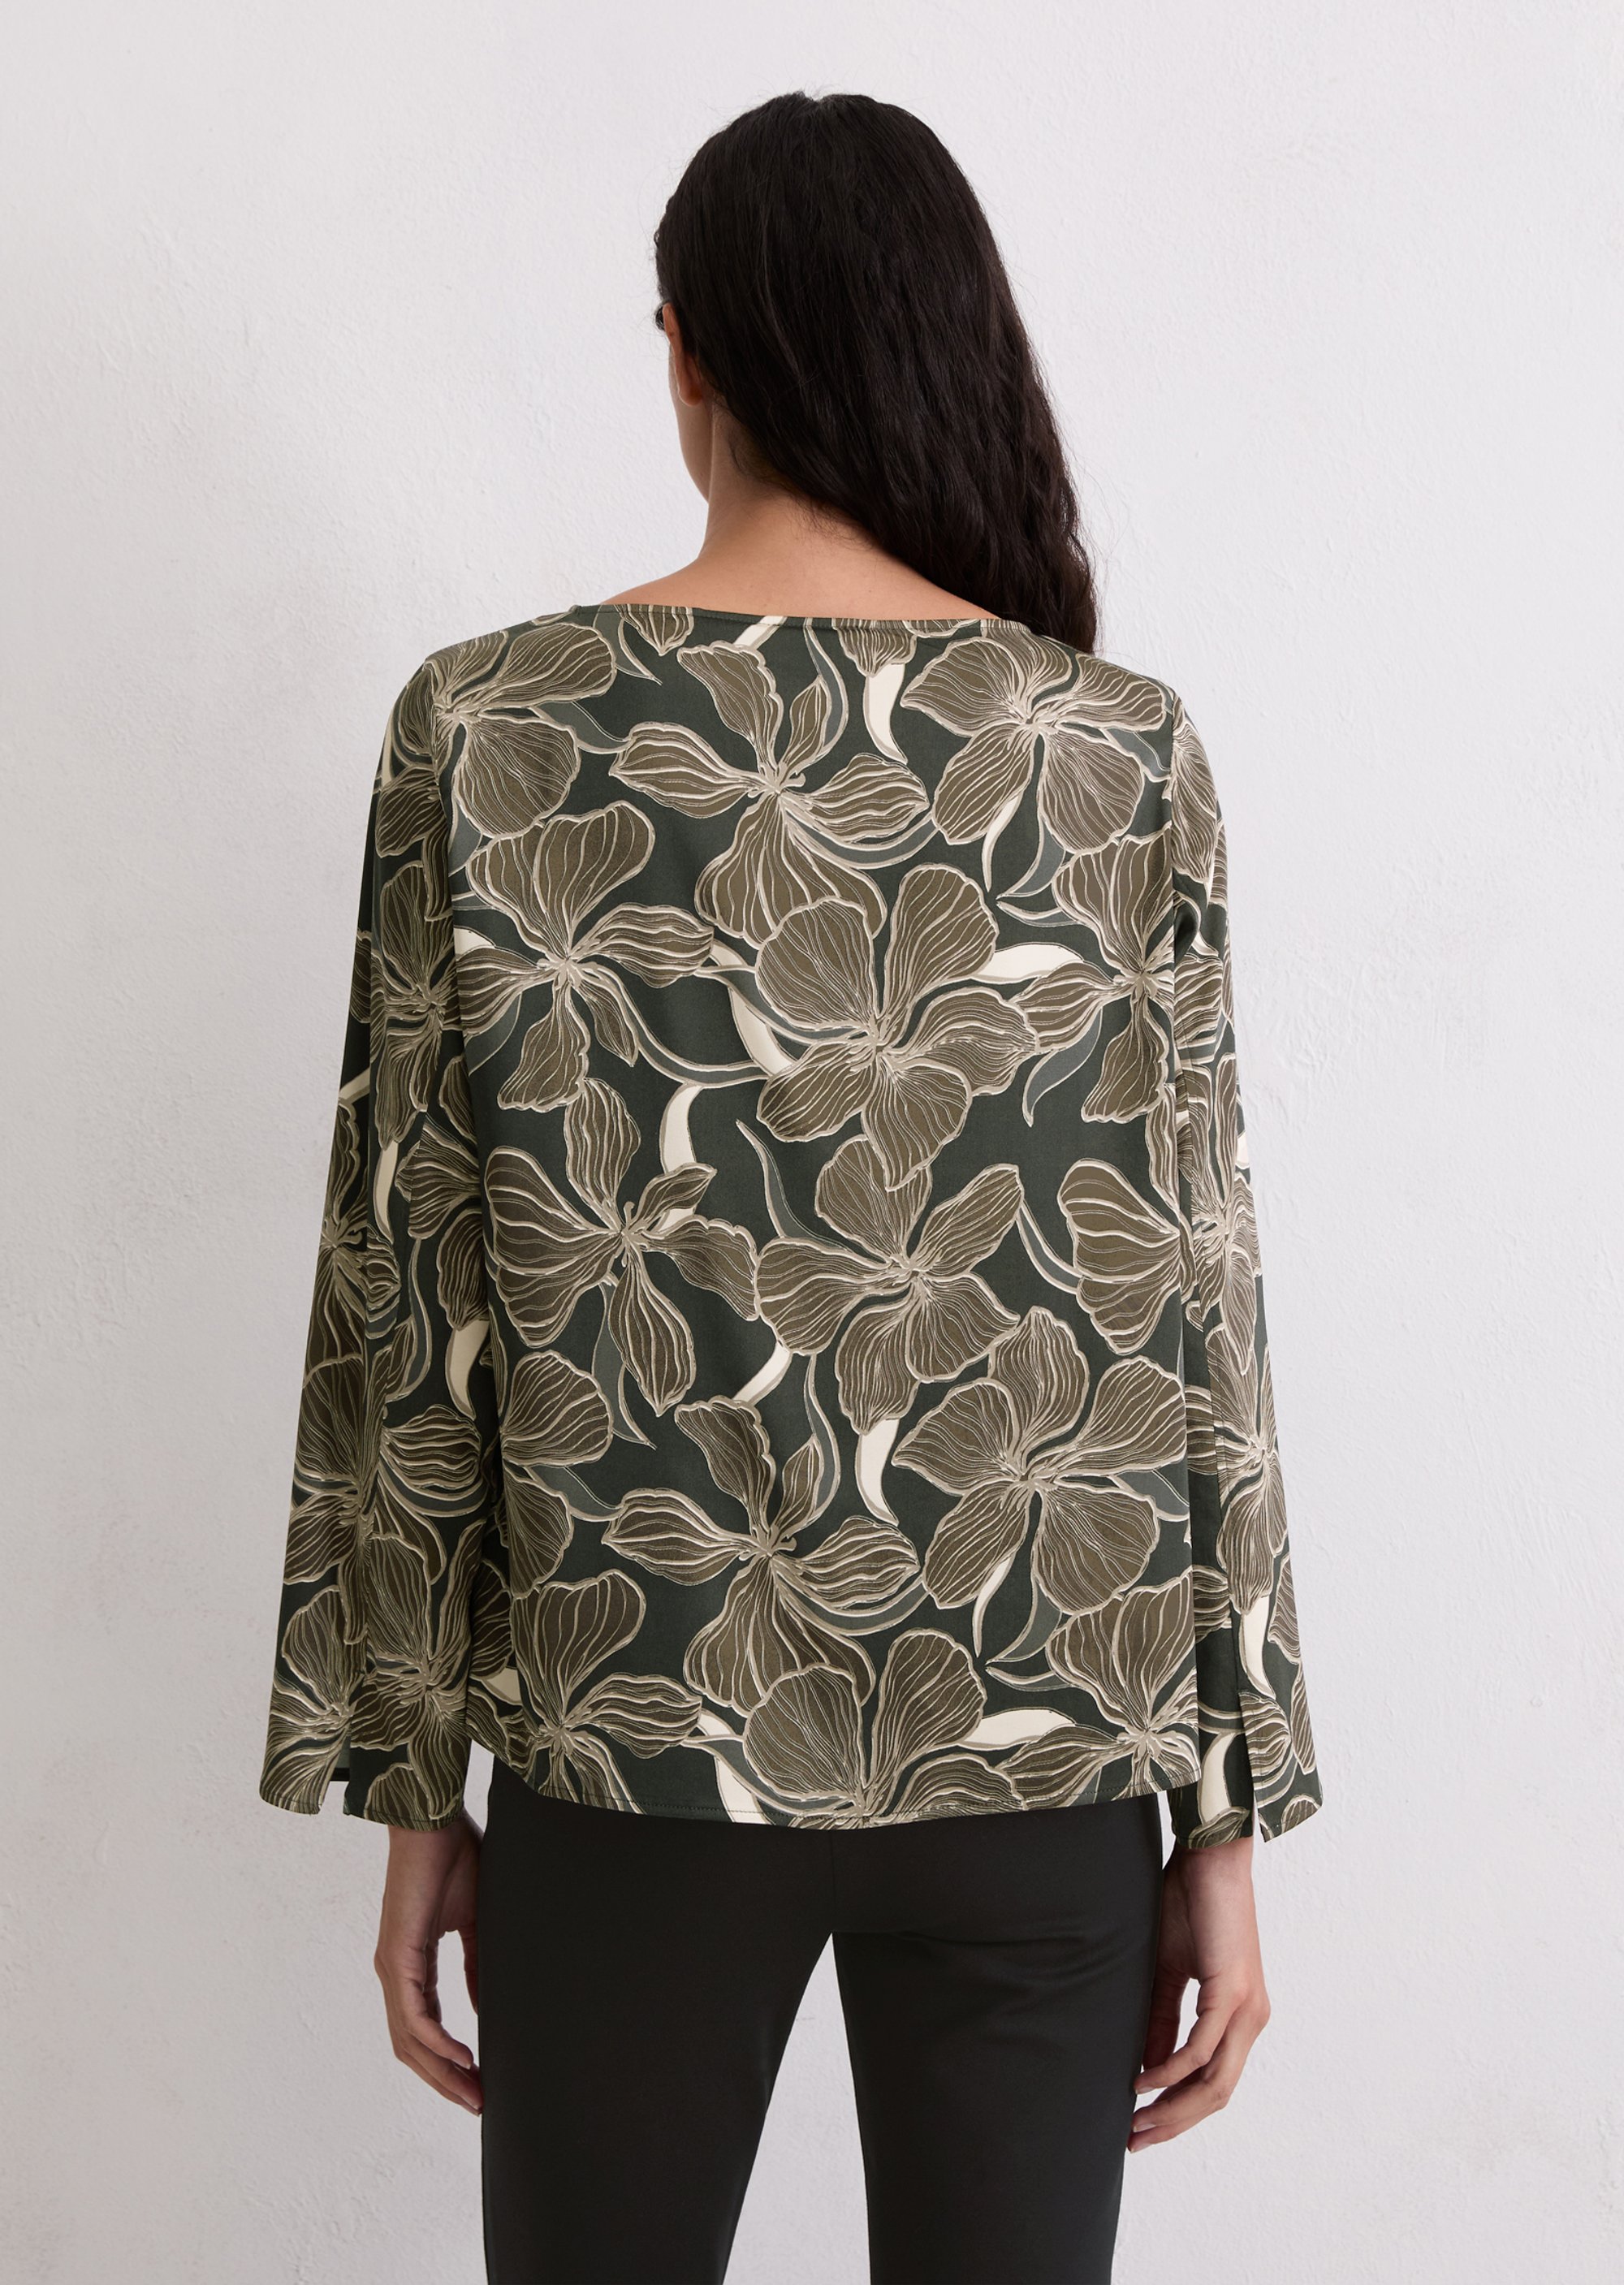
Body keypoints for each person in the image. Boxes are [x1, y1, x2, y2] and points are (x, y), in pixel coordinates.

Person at [257, 89, 1321, 2285]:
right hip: (1045, 1748)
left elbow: (410, 1295)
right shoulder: (1116, 746)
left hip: (631, 1741)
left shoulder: (488, 726)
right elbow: (1193, 1304)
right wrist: (1223, 1821)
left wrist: (416, 1786)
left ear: (687, 354)